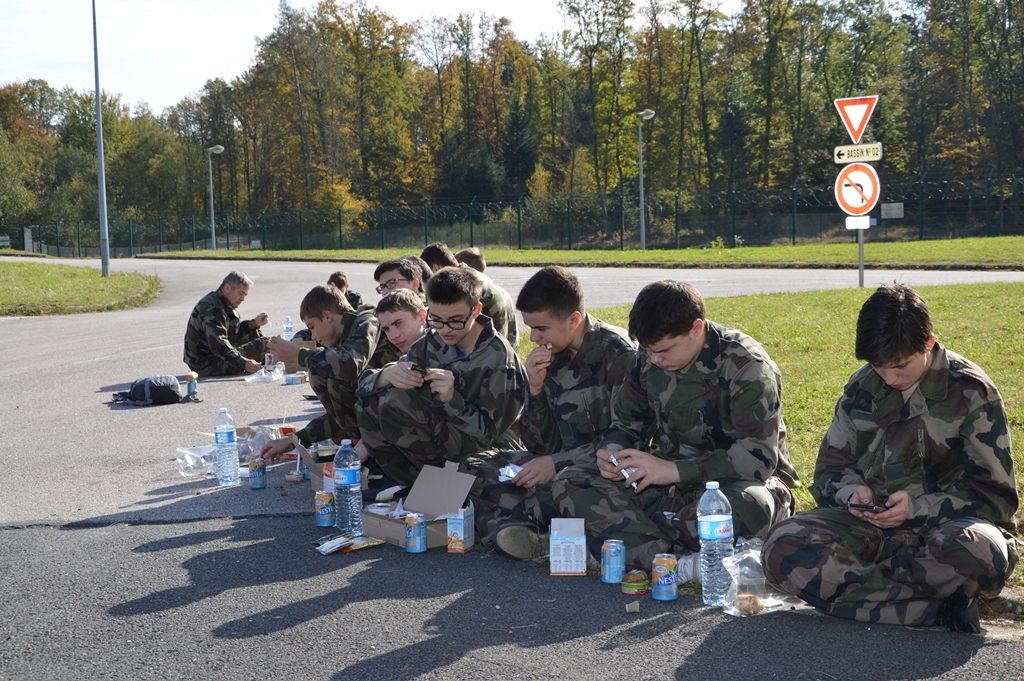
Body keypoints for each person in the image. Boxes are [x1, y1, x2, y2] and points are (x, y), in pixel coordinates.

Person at [761, 284, 1018, 633]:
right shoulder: (862, 387)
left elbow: (995, 499)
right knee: (783, 543)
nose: (889, 378)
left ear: (928, 343)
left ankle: (856, 590)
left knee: (980, 552)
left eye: (900, 366)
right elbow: (830, 471)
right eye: (879, 367)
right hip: (871, 530)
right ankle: (934, 610)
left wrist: (917, 508)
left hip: (944, 533)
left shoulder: (971, 391)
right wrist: (852, 492)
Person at [551, 280, 800, 578]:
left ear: (696, 328)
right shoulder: (649, 357)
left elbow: (757, 459)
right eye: (648, 351)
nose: (655, 359)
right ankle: (677, 562)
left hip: (734, 485)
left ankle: (632, 541)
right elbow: (628, 424)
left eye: (664, 350)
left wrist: (674, 471)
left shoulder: (747, 366)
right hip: (666, 485)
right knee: (571, 481)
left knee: (752, 506)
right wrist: (613, 453)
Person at [467, 266, 636, 560]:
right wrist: (534, 390)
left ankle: (526, 529)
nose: (533, 337)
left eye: (541, 328)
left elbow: (628, 441)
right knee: (477, 466)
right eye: (530, 327)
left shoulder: (619, 355)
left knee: (564, 486)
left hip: (599, 472)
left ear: (574, 320)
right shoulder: (552, 354)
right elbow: (539, 445)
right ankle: (529, 533)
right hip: (558, 463)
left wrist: (557, 463)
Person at [355, 267, 527, 488]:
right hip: (449, 434)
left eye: (455, 320)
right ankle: (413, 485)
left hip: (488, 447)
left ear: (476, 310)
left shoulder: (499, 358)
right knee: (368, 404)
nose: (445, 329)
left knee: (397, 400)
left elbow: (487, 434)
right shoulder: (432, 342)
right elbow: (363, 388)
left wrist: (452, 400)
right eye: (436, 319)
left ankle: (439, 487)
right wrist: (387, 374)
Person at [260, 285, 380, 457]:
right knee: (319, 371)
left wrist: (299, 355)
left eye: (312, 327)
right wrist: (294, 441)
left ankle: (367, 450)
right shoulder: (344, 336)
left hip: (401, 410)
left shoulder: (366, 321)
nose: (314, 337)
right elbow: (339, 417)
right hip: (379, 414)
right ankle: (358, 444)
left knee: (329, 372)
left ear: (327, 316)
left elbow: (351, 365)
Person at [420, 242, 518, 348]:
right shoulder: (472, 275)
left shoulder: (460, 287)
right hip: (508, 340)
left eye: (427, 277)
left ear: (436, 268)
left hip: (491, 347)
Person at [183, 271, 269, 376]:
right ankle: (265, 365)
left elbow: (233, 334)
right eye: (240, 293)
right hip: (206, 364)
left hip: (217, 356)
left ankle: (267, 363)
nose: (243, 299)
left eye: (245, 295)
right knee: (263, 344)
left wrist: (254, 323)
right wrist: (243, 363)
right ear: (227, 288)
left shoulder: (227, 304)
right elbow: (219, 343)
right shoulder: (211, 306)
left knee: (257, 335)